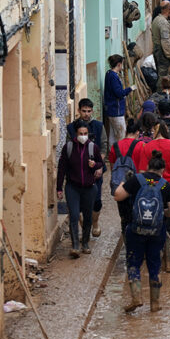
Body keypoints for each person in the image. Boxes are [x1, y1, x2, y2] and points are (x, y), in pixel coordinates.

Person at [114, 150, 170, 312]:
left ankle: (136, 298)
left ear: (147, 167)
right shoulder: (164, 184)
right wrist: (161, 214)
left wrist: (123, 182)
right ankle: (155, 304)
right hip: (157, 231)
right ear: (162, 170)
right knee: (154, 265)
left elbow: (118, 196)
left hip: (136, 229)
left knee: (134, 263)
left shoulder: (137, 179)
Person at [138, 120, 170, 272]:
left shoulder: (147, 147)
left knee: (155, 223)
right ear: (165, 129)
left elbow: (142, 172)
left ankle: (156, 260)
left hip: (154, 189)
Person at [56, 120, 104, 257]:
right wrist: (59, 188)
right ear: (75, 135)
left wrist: (94, 165)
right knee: (75, 215)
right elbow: (62, 168)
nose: (83, 136)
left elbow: (101, 163)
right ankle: (75, 245)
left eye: (85, 133)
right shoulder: (68, 148)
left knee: (88, 217)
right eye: (80, 134)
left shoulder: (92, 147)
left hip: (89, 188)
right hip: (72, 187)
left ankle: (85, 243)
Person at [67, 99, 106, 237]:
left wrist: (98, 166)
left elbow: (103, 147)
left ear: (92, 111)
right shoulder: (71, 128)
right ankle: (84, 227)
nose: (86, 114)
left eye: (89, 111)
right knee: (77, 202)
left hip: (95, 171)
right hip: (76, 173)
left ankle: (95, 223)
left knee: (96, 201)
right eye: (84, 111)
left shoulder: (99, 126)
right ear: (79, 111)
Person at [108, 119, 145, 235]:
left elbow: (113, 167)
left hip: (120, 186)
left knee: (124, 216)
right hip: (137, 185)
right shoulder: (142, 146)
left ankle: (126, 237)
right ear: (138, 132)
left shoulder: (115, 146)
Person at [103, 54, 137, 146]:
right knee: (121, 135)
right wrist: (130, 89)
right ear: (119, 64)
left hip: (111, 110)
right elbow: (119, 93)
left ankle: (112, 155)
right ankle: (120, 156)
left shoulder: (109, 73)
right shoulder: (113, 76)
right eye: (121, 64)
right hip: (116, 110)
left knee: (113, 136)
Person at [151, 1, 170, 78]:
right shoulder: (163, 23)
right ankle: (161, 90)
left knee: (161, 74)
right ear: (169, 9)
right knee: (164, 77)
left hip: (158, 50)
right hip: (163, 53)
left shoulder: (156, 19)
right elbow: (165, 41)